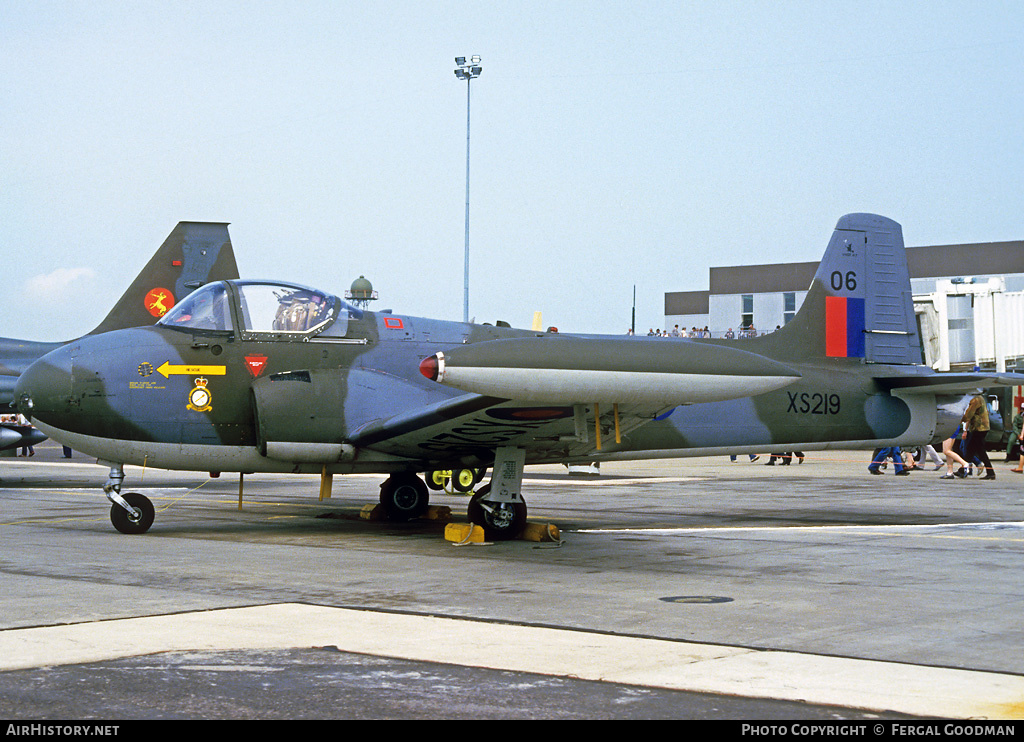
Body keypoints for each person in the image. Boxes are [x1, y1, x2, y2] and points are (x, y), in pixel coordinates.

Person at [960, 393, 995, 480]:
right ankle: (962, 470)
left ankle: (990, 472)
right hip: (981, 428)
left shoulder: (975, 399)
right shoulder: (980, 398)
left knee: (975, 450)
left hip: (980, 428)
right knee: (973, 450)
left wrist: (959, 420)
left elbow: (969, 414)